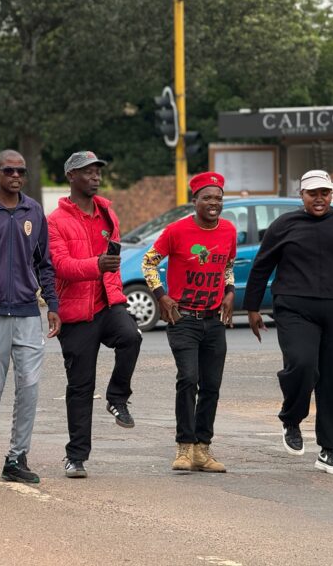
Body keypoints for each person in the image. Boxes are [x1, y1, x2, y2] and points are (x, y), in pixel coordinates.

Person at [243, 170, 333, 475]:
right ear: (301, 195)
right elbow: (261, 266)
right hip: (295, 308)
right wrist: (253, 308)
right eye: (312, 194)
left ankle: (330, 451)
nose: (319, 199)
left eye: (324, 193)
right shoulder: (284, 225)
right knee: (302, 365)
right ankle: (292, 418)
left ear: (332, 194)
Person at [0, 150, 61, 484]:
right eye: (9, 170)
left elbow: (44, 262)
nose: (17, 175)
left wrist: (52, 304)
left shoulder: (33, 210)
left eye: (21, 170)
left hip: (26, 311)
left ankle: (17, 457)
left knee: (30, 388)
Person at [48, 151, 142, 479]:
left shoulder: (107, 214)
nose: (95, 178)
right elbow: (60, 266)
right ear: (71, 176)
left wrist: (116, 296)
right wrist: (95, 266)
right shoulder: (56, 221)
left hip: (107, 304)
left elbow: (112, 260)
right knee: (81, 386)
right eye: (88, 172)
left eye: (98, 172)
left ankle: (117, 397)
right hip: (75, 314)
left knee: (131, 336)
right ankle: (76, 457)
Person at [141, 172, 236, 473]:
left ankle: (202, 450)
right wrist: (161, 296)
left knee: (212, 385)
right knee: (188, 379)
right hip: (183, 318)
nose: (213, 203)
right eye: (207, 198)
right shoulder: (176, 231)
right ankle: (184, 446)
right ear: (194, 200)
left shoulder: (229, 231)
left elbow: (228, 266)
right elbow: (149, 262)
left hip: (214, 320)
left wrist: (230, 292)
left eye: (218, 198)